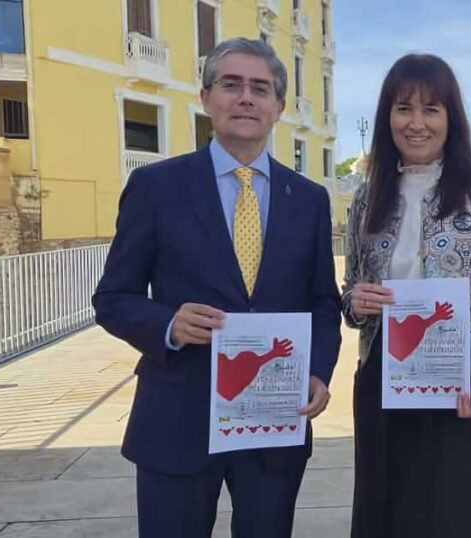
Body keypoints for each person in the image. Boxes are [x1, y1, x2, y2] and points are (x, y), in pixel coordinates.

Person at [92, 37, 341, 538]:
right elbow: (112, 298)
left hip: (274, 420)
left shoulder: (309, 200)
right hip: (177, 419)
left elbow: (321, 301)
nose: (245, 97)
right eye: (231, 84)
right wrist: (167, 324)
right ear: (206, 98)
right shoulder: (155, 188)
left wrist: (317, 370)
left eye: (260, 88)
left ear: (278, 108)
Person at [341, 53, 471, 538]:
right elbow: (351, 291)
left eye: (432, 109)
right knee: (381, 518)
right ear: (387, 116)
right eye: (404, 108)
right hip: (383, 385)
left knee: (450, 521)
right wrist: (355, 303)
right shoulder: (368, 196)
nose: (417, 123)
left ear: (452, 118)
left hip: (462, 388)